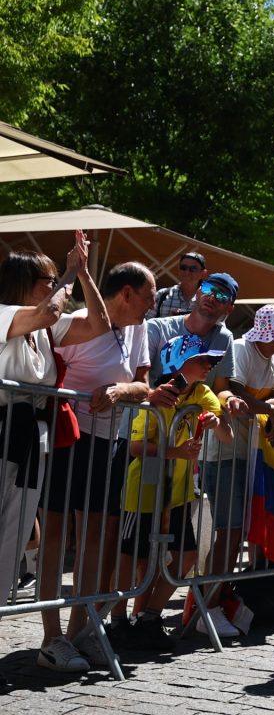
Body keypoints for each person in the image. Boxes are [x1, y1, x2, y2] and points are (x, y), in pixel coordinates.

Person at [0, 234, 110, 674]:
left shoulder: (46, 330)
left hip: (30, 440)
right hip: (2, 430)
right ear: (27, 282)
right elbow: (47, 310)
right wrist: (68, 271)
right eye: (49, 279)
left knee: (10, 543)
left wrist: (82, 272)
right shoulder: (8, 314)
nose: (55, 287)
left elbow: (99, 324)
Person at [42, 262, 156, 668]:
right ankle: (51, 637)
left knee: (96, 536)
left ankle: (81, 630)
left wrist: (120, 389)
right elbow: (46, 373)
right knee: (56, 532)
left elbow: (144, 386)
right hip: (70, 439)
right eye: (148, 297)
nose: (152, 305)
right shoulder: (76, 324)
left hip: (111, 443)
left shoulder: (139, 330)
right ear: (126, 293)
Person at [110, 335, 233, 651]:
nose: (210, 365)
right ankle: (118, 620)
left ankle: (150, 616)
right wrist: (176, 452)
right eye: (203, 359)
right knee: (132, 555)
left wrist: (216, 420)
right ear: (179, 361)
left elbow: (227, 435)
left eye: (212, 360)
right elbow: (136, 447)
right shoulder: (156, 397)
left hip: (177, 493)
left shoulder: (202, 392)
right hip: (144, 489)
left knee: (188, 554)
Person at [199, 304, 274, 638]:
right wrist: (269, 411)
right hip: (225, 452)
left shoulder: (272, 359)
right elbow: (236, 393)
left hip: (251, 455)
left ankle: (212, 603)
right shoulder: (241, 349)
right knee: (228, 534)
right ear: (271, 334)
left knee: (236, 533)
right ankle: (207, 609)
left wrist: (270, 409)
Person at [148, 252, 207, 318]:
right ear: (178, 270)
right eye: (183, 267)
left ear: (203, 273)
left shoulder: (209, 299)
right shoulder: (162, 295)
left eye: (193, 268)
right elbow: (147, 324)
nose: (187, 272)